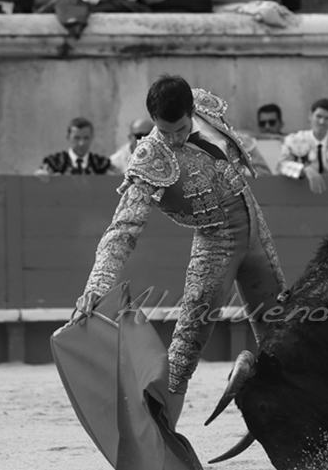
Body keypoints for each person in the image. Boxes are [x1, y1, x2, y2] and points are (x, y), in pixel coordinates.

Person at [73, 74, 286, 423]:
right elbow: (123, 230)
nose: (172, 139)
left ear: (191, 110)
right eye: (164, 131)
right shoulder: (150, 157)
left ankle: (294, 416)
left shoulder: (203, 105)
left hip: (254, 226)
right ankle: (159, 432)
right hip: (216, 243)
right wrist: (96, 286)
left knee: (281, 332)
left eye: (180, 129)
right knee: (186, 344)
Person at [35, 117, 115, 176]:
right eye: (77, 138)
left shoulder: (102, 164)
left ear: (92, 137)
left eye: (86, 138)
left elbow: (117, 180)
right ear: (68, 137)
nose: (81, 143)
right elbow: (39, 174)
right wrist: (43, 175)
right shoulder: (54, 162)